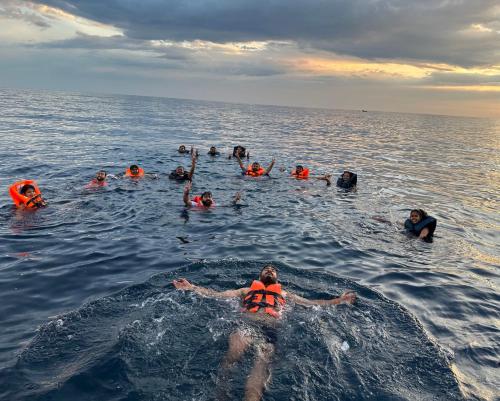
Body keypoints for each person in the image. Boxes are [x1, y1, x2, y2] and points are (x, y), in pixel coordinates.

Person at [173, 264, 356, 401]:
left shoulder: (285, 295)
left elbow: (313, 304)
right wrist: (192, 287)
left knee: (261, 364)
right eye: (266, 269)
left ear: (277, 278)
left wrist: (340, 300)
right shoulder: (245, 291)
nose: (269, 270)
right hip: (247, 325)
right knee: (232, 356)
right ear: (259, 276)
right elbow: (218, 295)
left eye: (273, 270)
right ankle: (221, 394)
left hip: (270, 330)